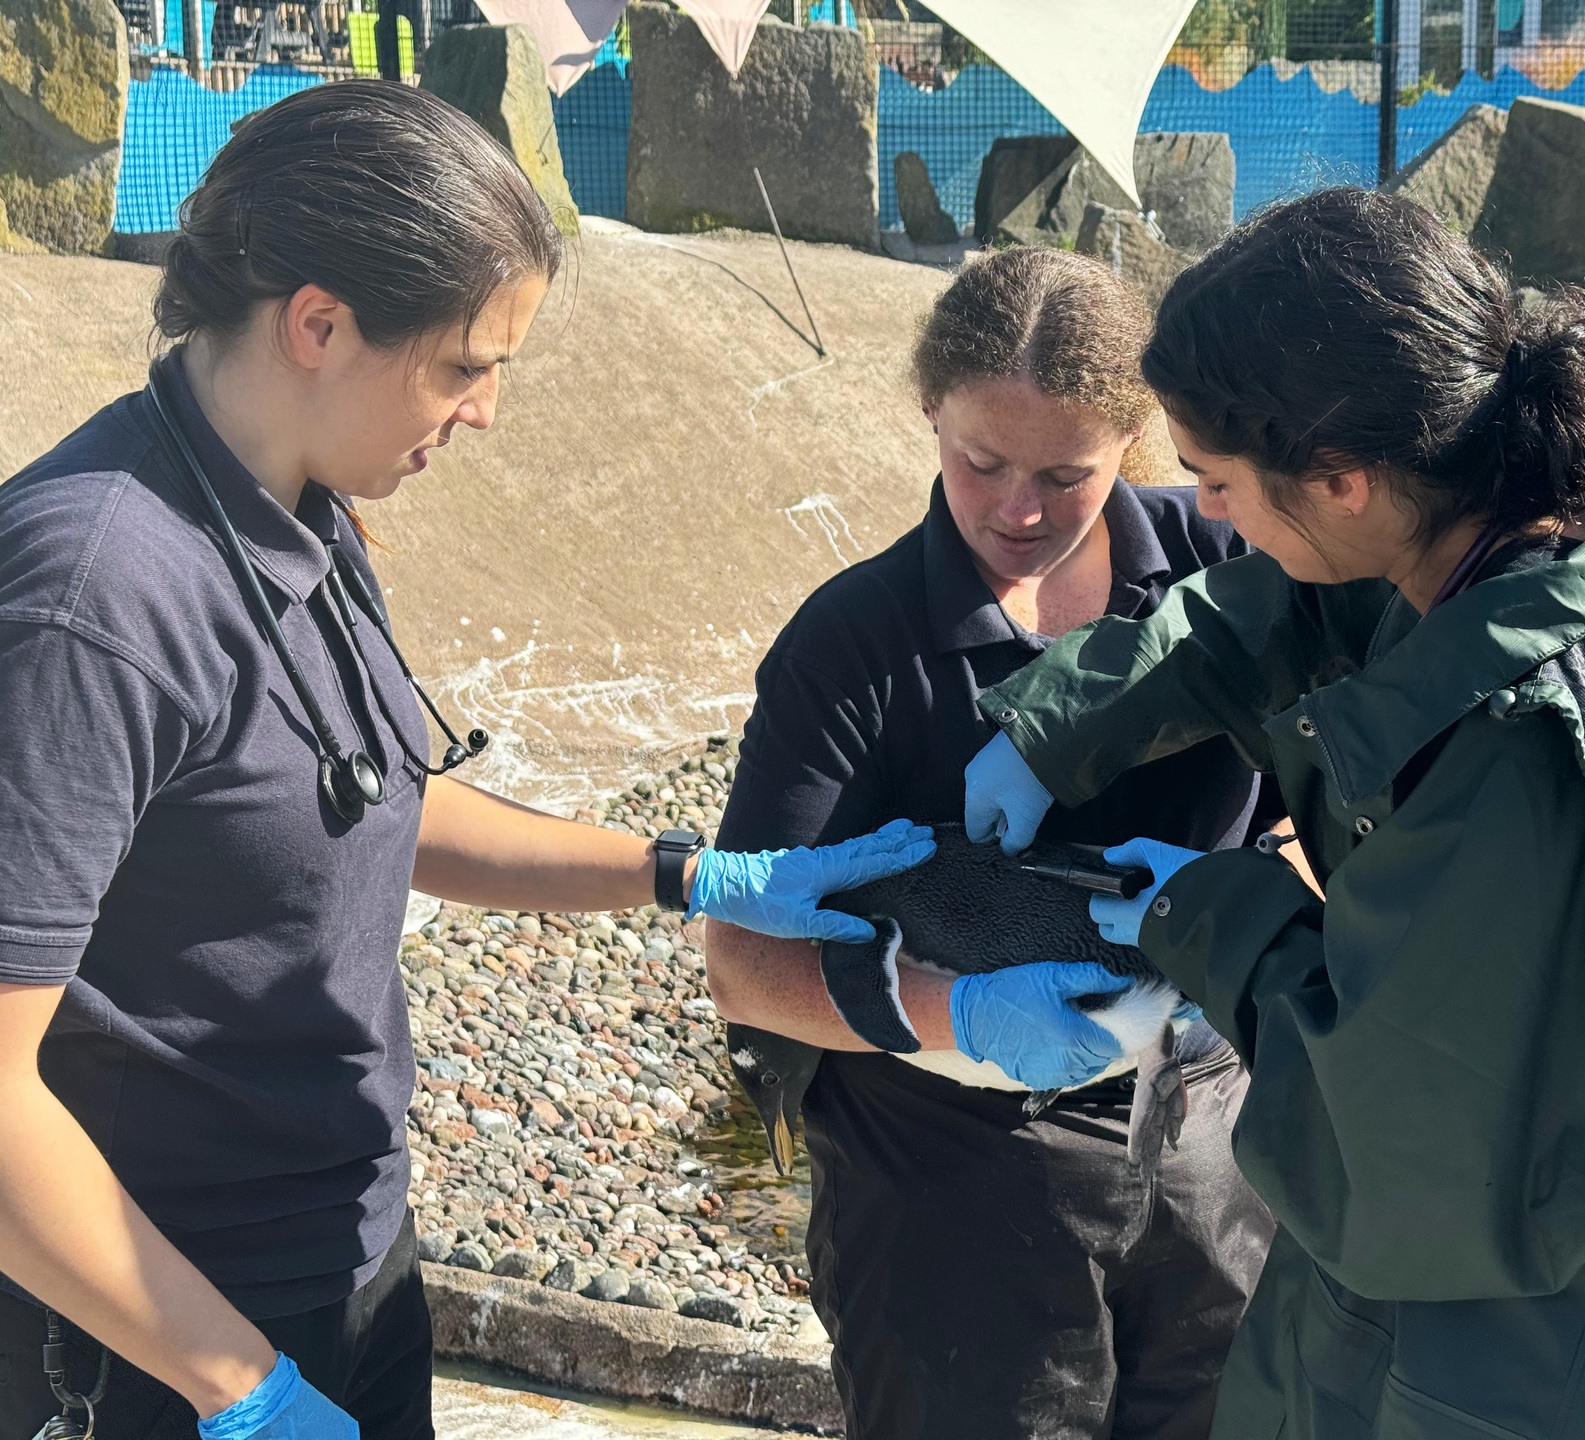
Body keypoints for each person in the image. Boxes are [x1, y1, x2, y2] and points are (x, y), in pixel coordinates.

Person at [0, 82, 931, 1440]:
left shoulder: (305, 500)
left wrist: (696, 874)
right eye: (464, 365)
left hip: (346, 1268)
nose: (487, 411)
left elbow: (362, 800)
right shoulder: (94, 600)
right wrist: (235, 1389)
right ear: (317, 323)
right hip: (159, 1332)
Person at [962, 188, 1585, 1437]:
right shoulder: (1574, 514)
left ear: (1343, 477)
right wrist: (1066, 719)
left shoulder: (1527, 765)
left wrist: (1195, 913)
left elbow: (1376, 1153)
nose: (1207, 521)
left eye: (1220, 484)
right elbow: (1310, 606)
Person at [705, 247, 1277, 1440]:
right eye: (980, 463)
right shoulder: (852, 645)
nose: (1017, 509)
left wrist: (1260, 916)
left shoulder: (1234, 580)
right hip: (943, 1162)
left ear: (1137, 440)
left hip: (1214, 1139)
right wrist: (949, 1018)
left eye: (1066, 475)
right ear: (930, 414)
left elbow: (1331, 818)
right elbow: (745, 966)